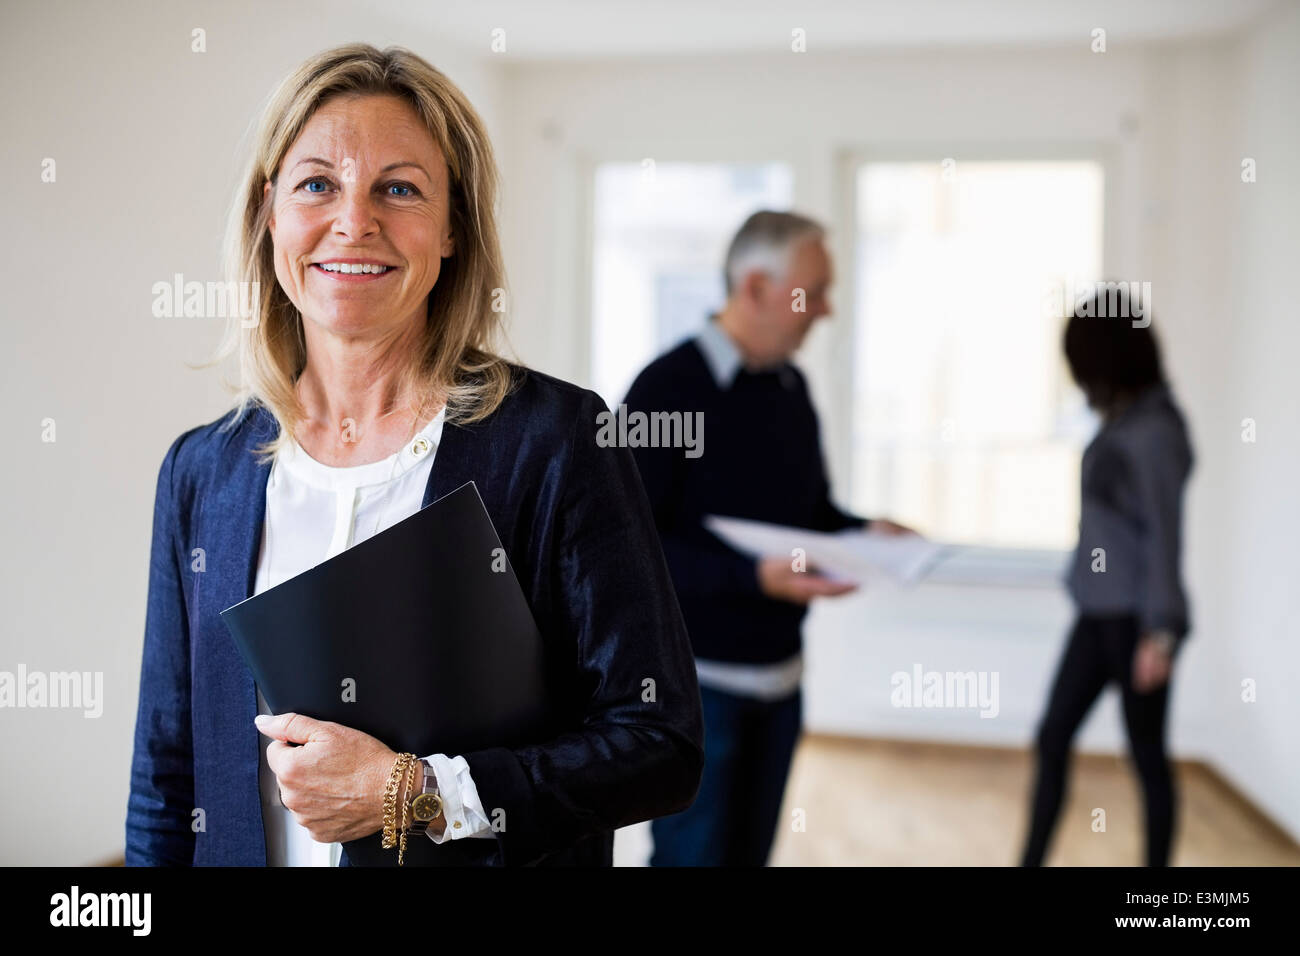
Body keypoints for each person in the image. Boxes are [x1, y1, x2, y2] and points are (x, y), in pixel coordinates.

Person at [125, 43, 703, 867]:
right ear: (269, 213)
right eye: (317, 183)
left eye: (399, 189)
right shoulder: (201, 472)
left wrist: (417, 793)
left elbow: (659, 746)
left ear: (452, 229)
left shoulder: (557, 442)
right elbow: (166, 771)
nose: (353, 222)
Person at [624, 211, 912, 866]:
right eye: (816, 291)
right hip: (694, 694)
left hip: (781, 682)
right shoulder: (664, 389)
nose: (827, 311)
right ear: (754, 287)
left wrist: (865, 533)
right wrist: (754, 578)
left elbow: (809, 513)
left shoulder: (790, 388)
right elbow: (630, 553)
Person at [1020, 286, 1194, 867]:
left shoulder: (1155, 434)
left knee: (1146, 755)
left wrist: (1161, 634)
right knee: (1052, 735)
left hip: (1138, 623)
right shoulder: (1125, 421)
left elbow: (1165, 540)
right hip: (1096, 614)